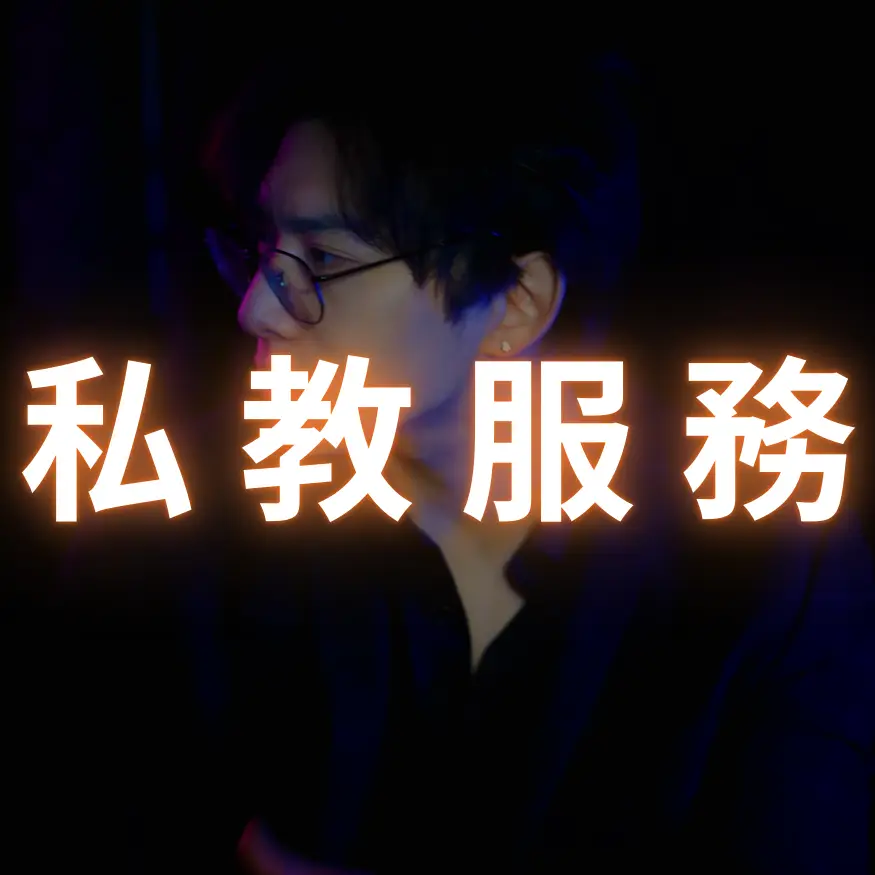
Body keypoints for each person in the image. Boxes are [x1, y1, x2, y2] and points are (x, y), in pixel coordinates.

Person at [197, 45, 875, 875]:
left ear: (516, 304)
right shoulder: (244, 512)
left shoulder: (766, 567)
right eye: (263, 250)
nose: (254, 307)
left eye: (324, 261)